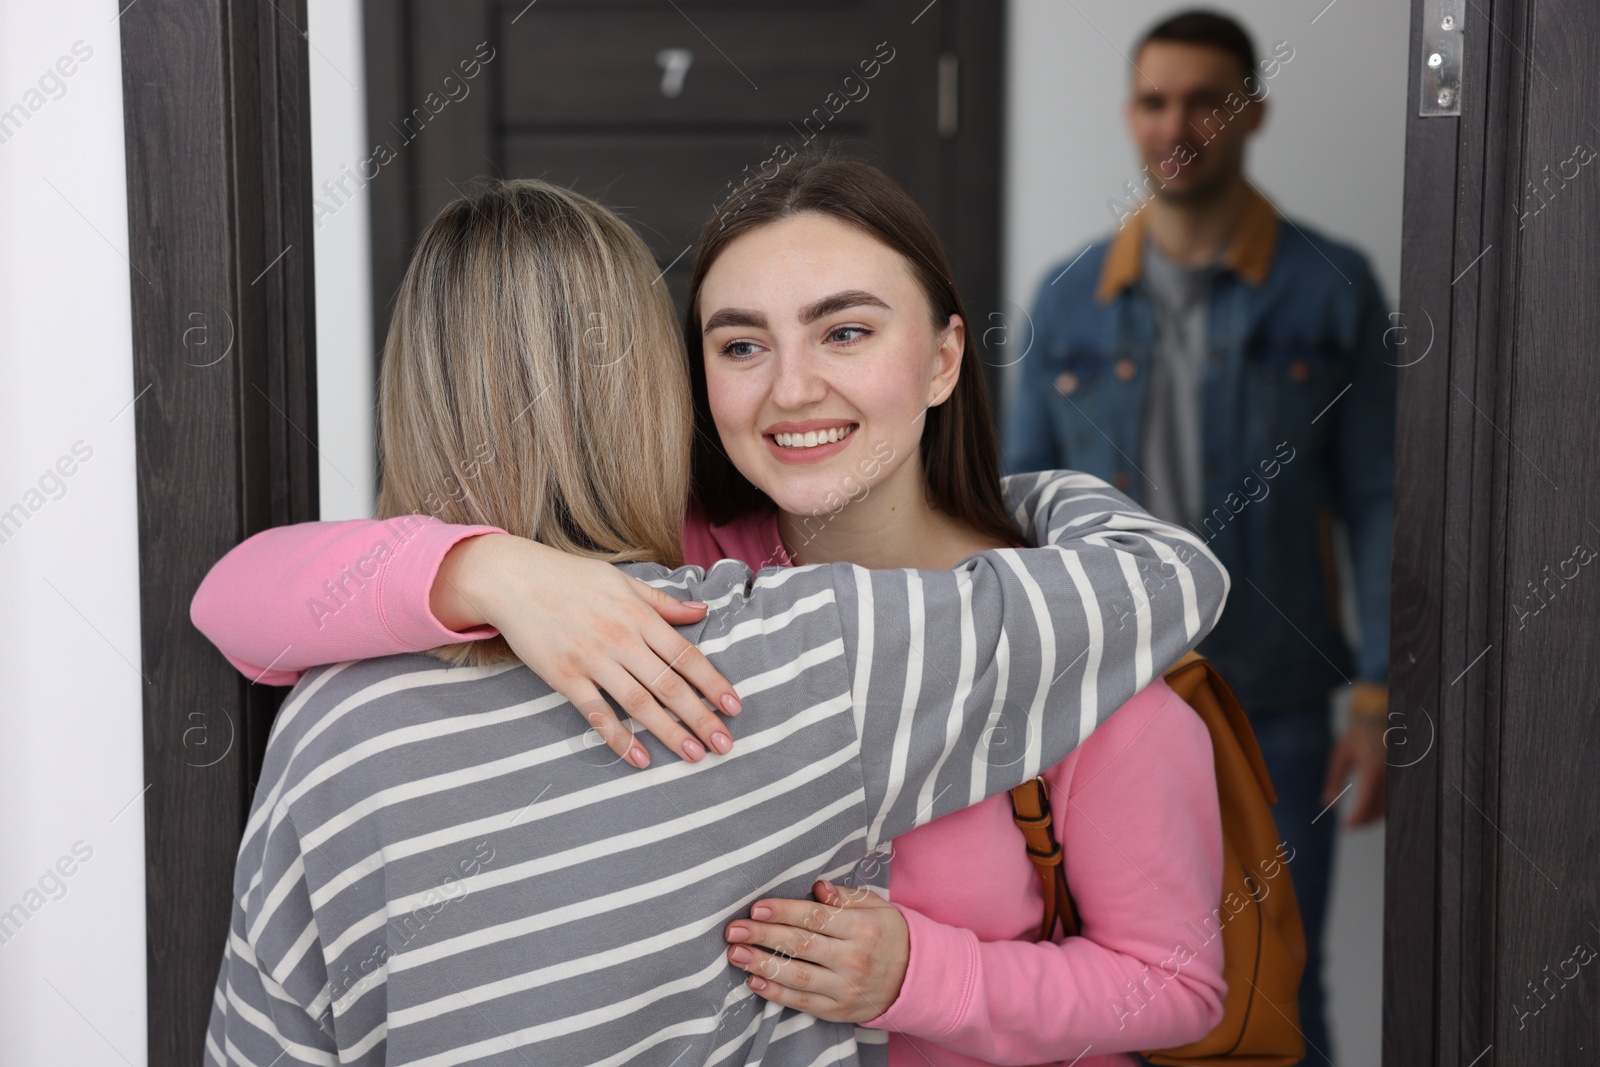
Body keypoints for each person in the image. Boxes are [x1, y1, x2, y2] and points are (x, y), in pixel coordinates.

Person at [197, 169, 1228, 1066]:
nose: (791, 385)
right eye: (740, 344)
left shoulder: (1071, 635)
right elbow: (240, 600)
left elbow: (1174, 986)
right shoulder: (676, 582)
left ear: (945, 358)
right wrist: (490, 571)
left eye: (847, 330)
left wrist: (925, 974)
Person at [1004, 11, 1396, 1060]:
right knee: (1118, 983)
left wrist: (1375, 685)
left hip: (1277, 699)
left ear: (1250, 113)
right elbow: (1014, 508)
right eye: (1154, 99)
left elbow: (1375, 494)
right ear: (1131, 115)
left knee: (1279, 982)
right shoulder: (1066, 295)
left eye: (1205, 100)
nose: (1177, 123)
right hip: (1108, 701)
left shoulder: (1333, 285)